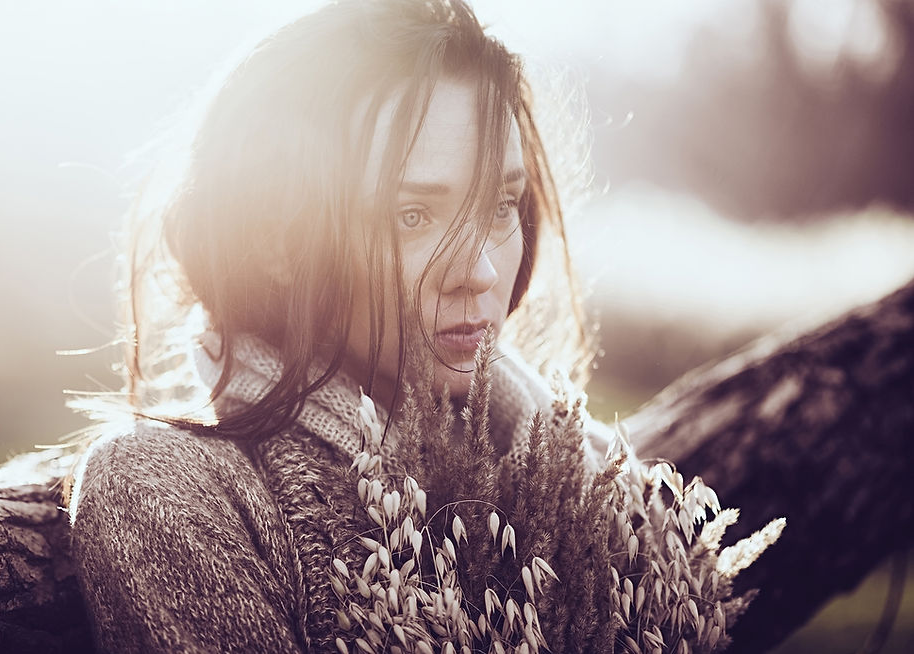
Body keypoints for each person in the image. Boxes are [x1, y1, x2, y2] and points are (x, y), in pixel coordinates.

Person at [70, 1, 767, 652]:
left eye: (499, 207)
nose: (481, 272)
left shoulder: (591, 477)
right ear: (279, 242)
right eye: (413, 216)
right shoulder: (168, 489)